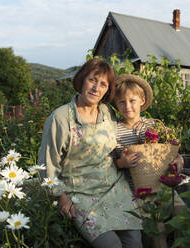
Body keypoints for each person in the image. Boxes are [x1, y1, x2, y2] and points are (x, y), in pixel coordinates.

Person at [38, 59, 142, 248]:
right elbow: (47, 164)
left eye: (103, 84)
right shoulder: (61, 118)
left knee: (134, 242)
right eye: (92, 80)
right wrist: (60, 197)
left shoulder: (107, 113)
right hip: (81, 194)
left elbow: (129, 135)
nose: (96, 88)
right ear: (82, 81)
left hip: (115, 188)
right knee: (111, 245)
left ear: (107, 90)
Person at [112, 74, 185, 248]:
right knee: (157, 226)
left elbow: (168, 151)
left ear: (142, 101)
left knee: (182, 214)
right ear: (116, 104)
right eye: (121, 102)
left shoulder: (153, 126)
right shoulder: (115, 131)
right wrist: (123, 162)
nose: (127, 106)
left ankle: (183, 243)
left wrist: (178, 159)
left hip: (161, 182)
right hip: (136, 189)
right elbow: (113, 163)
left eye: (132, 100)